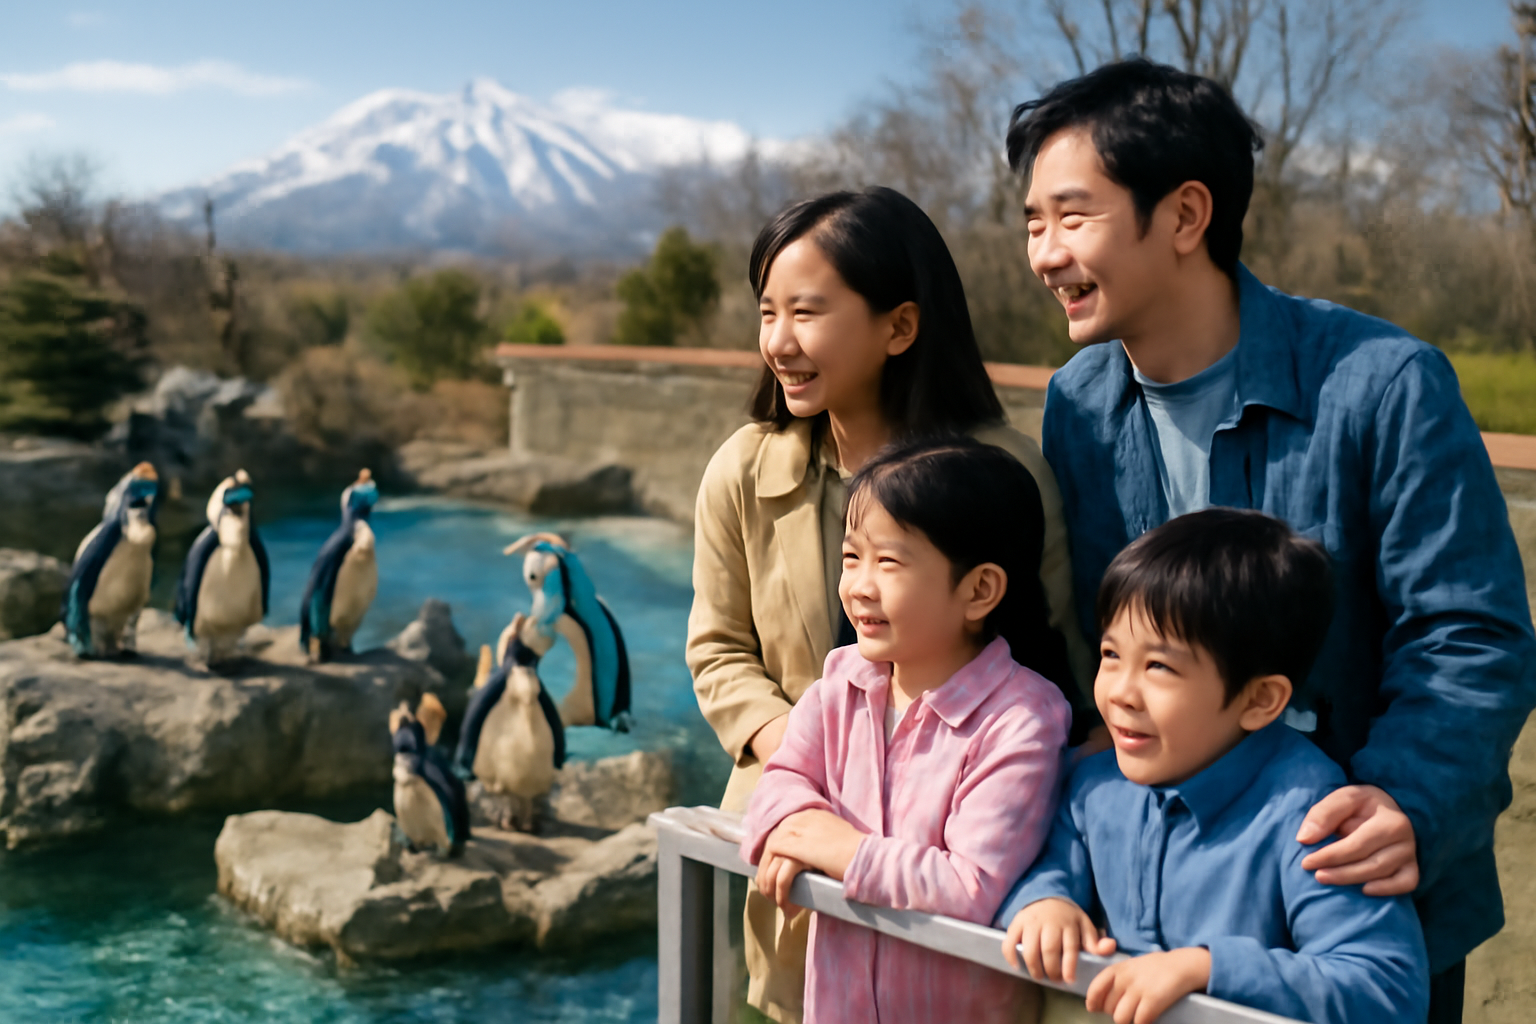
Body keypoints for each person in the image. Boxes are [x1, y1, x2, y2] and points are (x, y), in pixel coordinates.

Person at [1008, 57, 1536, 1022]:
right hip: (1159, 911)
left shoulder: (1385, 384)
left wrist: (1403, 803)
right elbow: (1094, 637)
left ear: (1185, 215)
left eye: (1072, 218)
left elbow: (1469, 634)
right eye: (1033, 223)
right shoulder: (1076, 406)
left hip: (1349, 897)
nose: (1044, 255)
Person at [687, 186, 1094, 1022]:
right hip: (793, 848)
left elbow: (1055, 661)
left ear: (900, 326)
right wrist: (813, 759)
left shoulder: (1004, 474)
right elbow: (719, 651)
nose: (779, 342)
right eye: (767, 313)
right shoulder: (743, 470)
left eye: (806, 312)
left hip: (953, 869)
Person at [997, 509, 1430, 1024]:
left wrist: (1210, 968)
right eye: (1111, 655)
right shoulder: (1093, 784)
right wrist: (1044, 901)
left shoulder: (1312, 821)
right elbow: (1040, 860)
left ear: (1260, 700)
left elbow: (1386, 990)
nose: (1120, 693)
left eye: (1159, 666)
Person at [742, 437, 1074, 1024]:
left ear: (979, 589)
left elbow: (970, 886)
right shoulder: (841, 680)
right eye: (851, 557)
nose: (859, 585)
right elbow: (781, 779)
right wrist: (795, 825)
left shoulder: (1022, 720)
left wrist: (842, 851)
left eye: (888, 563)